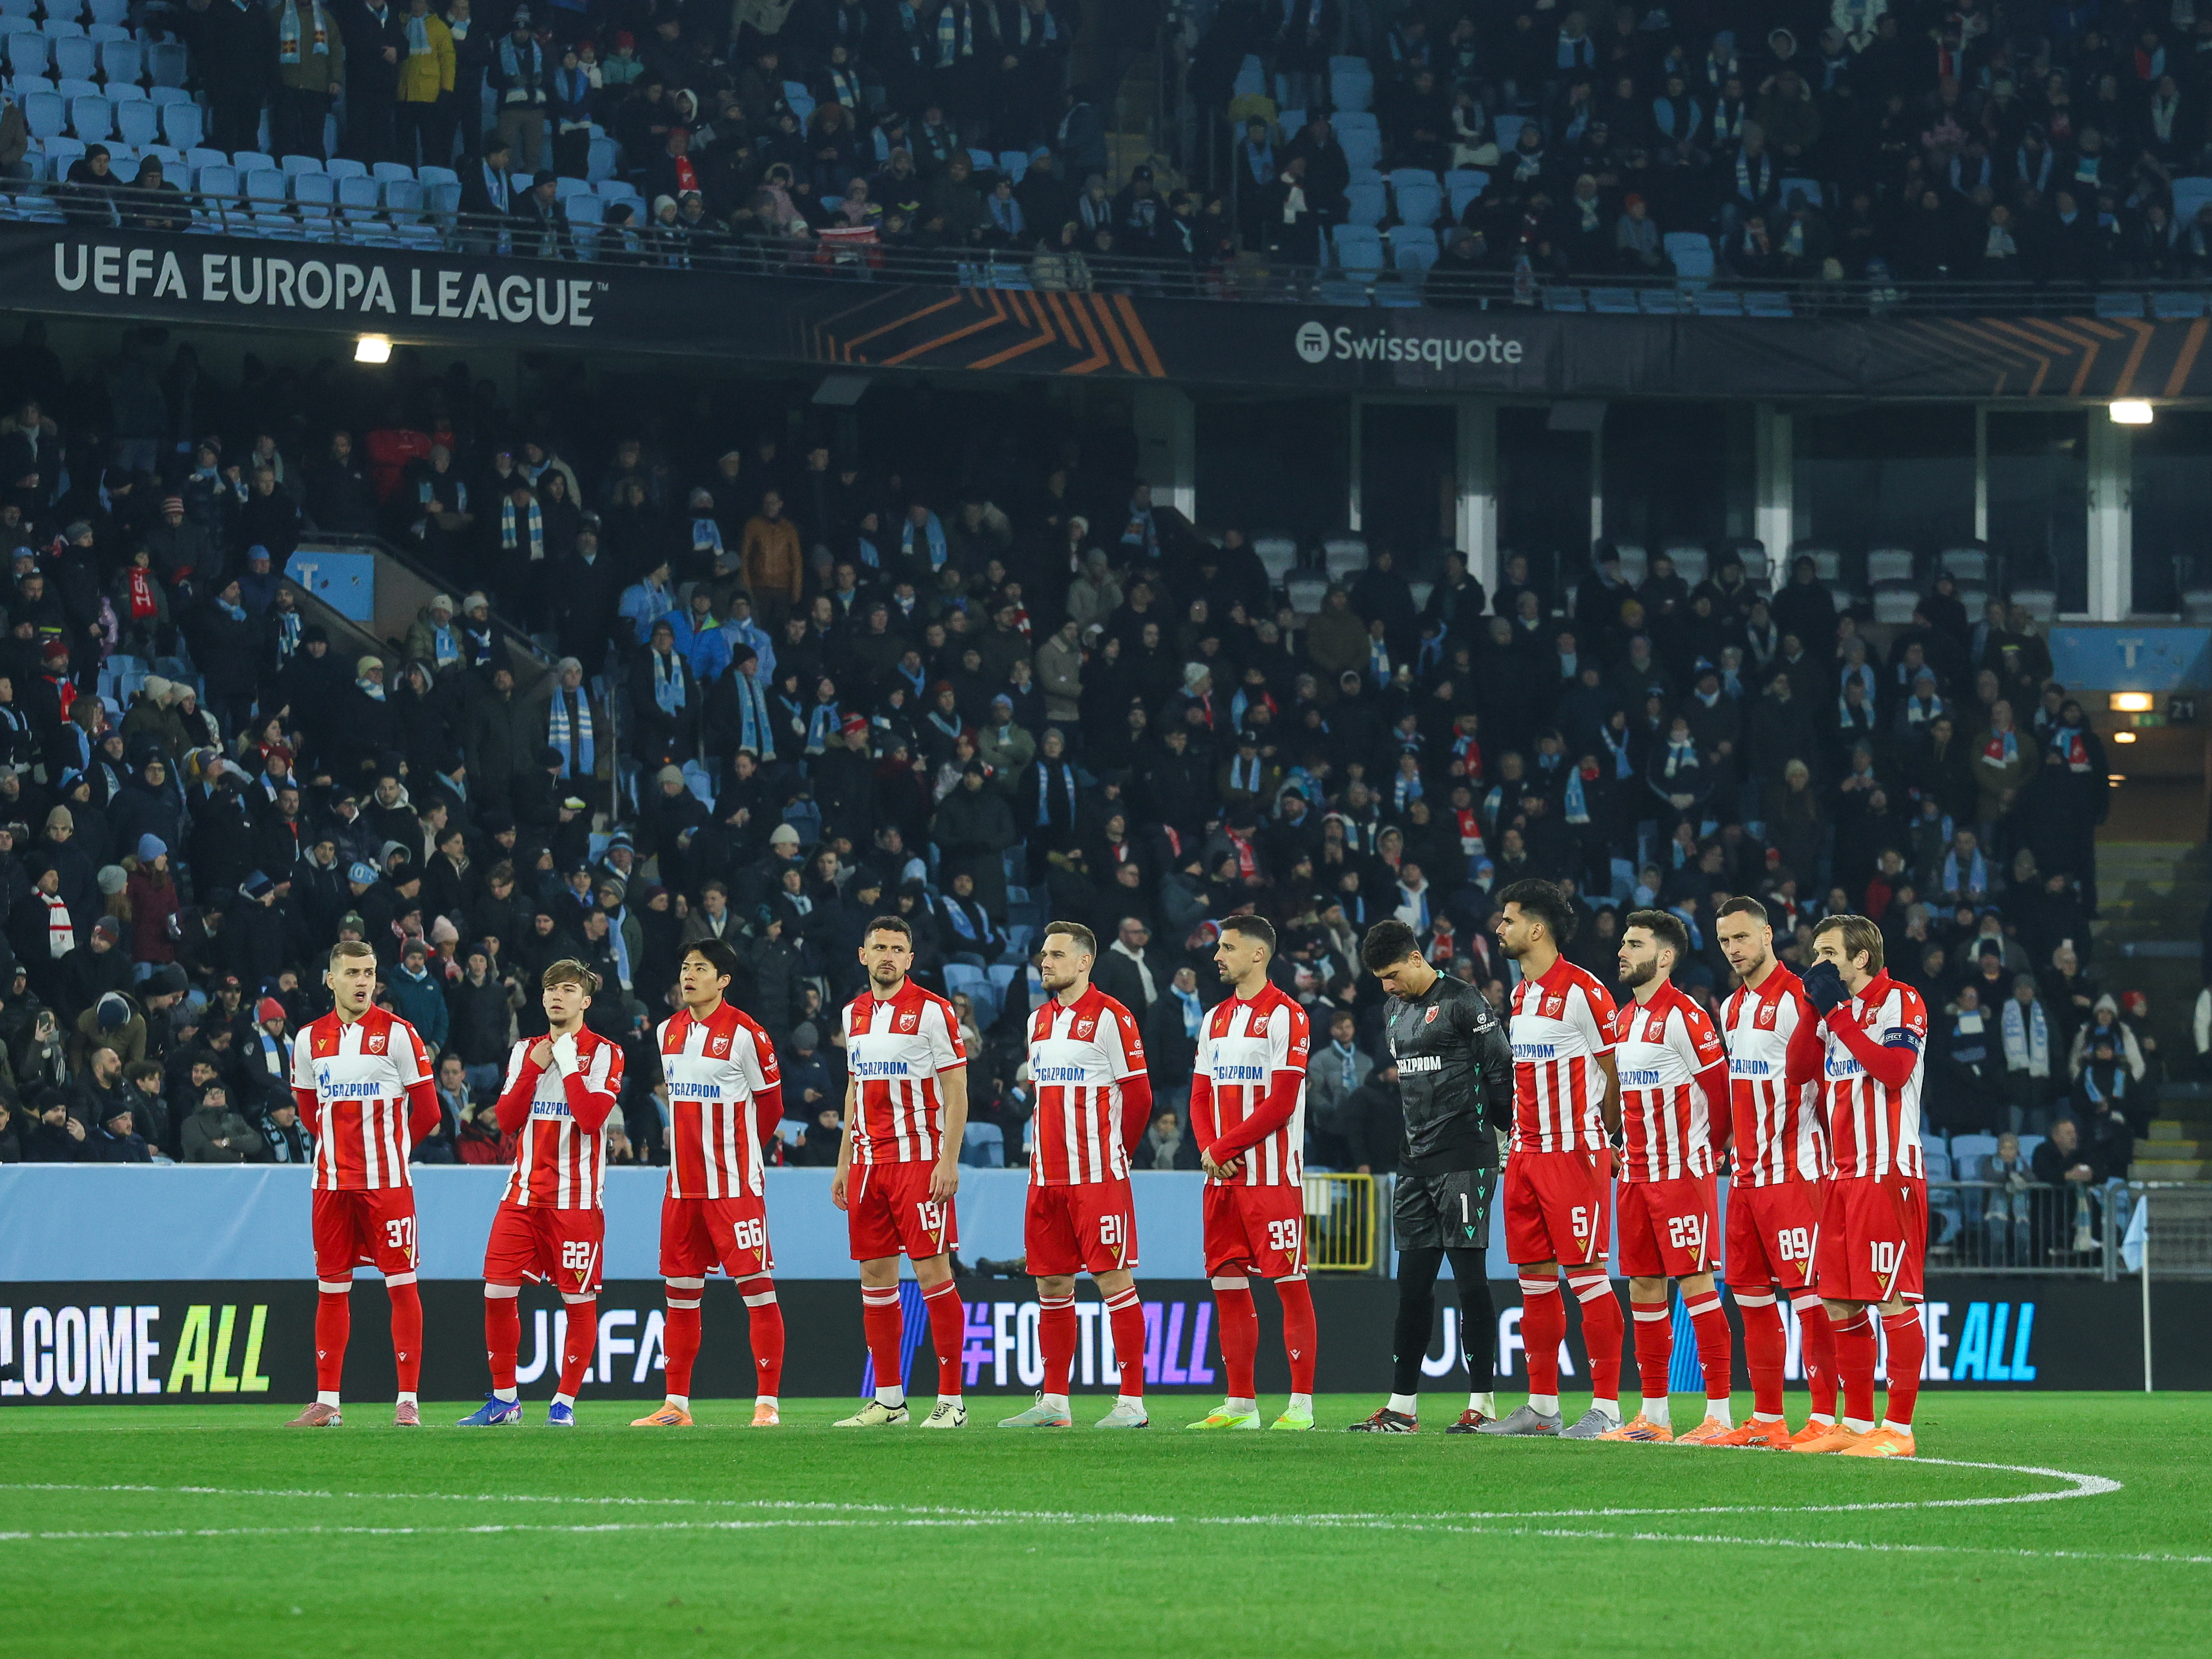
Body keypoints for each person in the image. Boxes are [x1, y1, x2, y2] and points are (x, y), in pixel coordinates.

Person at [1345, 917, 1513, 1434]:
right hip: (1414, 1162)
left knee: (1470, 1283)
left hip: (1465, 1157)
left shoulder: (1464, 1002)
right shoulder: (1393, 1009)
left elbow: (1502, 1072)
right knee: (1412, 1287)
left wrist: (1500, 1140)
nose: (1387, 986)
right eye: (1380, 979)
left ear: (1417, 958)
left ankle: (1481, 1403)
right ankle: (1402, 1407)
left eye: (1392, 974)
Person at [1478, 879, 1627, 1439]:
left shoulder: (1585, 991)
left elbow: (1614, 1076)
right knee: (1535, 1282)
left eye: (1509, 919)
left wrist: (1601, 1135)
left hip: (1572, 1153)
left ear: (1536, 929)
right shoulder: (1521, 995)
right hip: (1524, 1155)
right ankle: (1542, 1407)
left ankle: (1608, 1408)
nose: (1500, 928)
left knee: (1588, 1277)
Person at [1586, 910, 1734, 1444]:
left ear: (1664, 956)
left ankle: (1720, 1413)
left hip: (1681, 1175)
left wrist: (1710, 1150)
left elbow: (1721, 1093)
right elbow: (1612, 1099)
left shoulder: (1687, 1017)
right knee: (1645, 1286)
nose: (1622, 951)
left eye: (1634, 943)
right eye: (1623, 942)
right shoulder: (1623, 1019)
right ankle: (1655, 1415)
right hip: (1635, 1176)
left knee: (1696, 1283)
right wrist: (1612, 1146)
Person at [998, 920, 1153, 1428]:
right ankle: (1055, 1403)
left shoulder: (1113, 1017)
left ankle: (1131, 1402)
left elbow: (1140, 1096)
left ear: (1085, 962)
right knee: (1051, 1286)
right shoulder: (1037, 1021)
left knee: (1113, 1280)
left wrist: (1118, 1154)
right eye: (1044, 954)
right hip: (1044, 1180)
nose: (1046, 962)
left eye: (1057, 955)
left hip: (1097, 1177)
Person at [457, 959, 624, 1428]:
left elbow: (592, 1119)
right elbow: (507, 1121)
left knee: (578, 1303)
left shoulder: (607, 1053)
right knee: (495, 1291)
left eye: (568, 989)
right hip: (523, 1196)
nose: (556, 996)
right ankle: (505, 1400)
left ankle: (563, 1404)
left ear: (584, 1001)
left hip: (576, 1201)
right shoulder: (525, 1051)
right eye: (550, 988)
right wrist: (534, 1069)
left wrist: (568, 1063)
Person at [1786, 914, 1929, 1457]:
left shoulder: (1902, 1000)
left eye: (1828, 953)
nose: (1819, 963)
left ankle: (1899, 1429)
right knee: (1840, 1301)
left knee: (1893, 1298)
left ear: (1860, 957)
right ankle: (1858, 1423)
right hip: (1843, 1174)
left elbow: (1893, 1070)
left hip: (1889, 1170)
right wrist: (1810, 1007)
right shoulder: (1832, 1013)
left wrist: (1839, 1017)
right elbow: (1798, 1070)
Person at [284, 939, 440, 1428]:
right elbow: (310, 1112)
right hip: (330, 1185)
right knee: (331, 1289)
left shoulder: (399, 1034)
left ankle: (408, 1401)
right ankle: (327, 1401)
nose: (362, 982)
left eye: (369, 973)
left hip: (386, 1185)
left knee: (401, 1284)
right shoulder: (309, 1040)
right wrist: (341, 1148)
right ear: (330, 980)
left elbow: (430, 1111)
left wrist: (393, 1154)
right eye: (352, 973)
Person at [632, 939, 787, 1430]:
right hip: (681, 1188)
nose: (688, 975)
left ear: (724, 980)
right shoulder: (667, 1031)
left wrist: (739, 1157)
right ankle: (676, 1405)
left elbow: (772, 1107)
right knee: (679, 1295)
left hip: (734, 1188)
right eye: (684, 967)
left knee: (758, 1292)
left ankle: (767, 1405)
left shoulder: (747, 1034)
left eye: (700, 968)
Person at [831, 915, 971, 1429]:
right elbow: (853, 1090)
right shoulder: (853, 1014)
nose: (888, 955)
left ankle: (951, 1401)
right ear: (863, 956)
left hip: (918, 1162)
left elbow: (956, 1090)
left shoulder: (933, 1011)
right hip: (868, 1165)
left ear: (910, 959)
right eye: (879, 947)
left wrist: (948, 1159)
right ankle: (889, 1401)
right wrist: (844, 1161)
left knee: (933, 1273)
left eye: (897, 948)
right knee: (874, 1276)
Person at [1711, 896, 1838, 1447]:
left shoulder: (1798, 1001)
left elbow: (1828, 1084)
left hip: (1796, 1175)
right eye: (1724, 942)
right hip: (1745, 1181)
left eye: (1741, 937)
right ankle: (1767, 1416)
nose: (1734, 950)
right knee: (1752, 1298)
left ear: (1768, 935)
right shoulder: (1731, 1009)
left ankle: (1827, 1417)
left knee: (1812, 1300)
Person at [1185, 915, 1318, 1432]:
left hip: (1270, 1180)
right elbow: (1199, 1093)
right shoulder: (1214, 1017)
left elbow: (1282, 1102)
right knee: (1227, 1286)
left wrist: (1223, 1145)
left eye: (1228, 947)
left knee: (1289, 1284)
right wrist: (1209, 1151)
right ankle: (1240, 1405)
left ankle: (1300, 1406)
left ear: (1258, 954)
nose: (1217, 955)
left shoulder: (1288, 1016)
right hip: (1220, 1178)